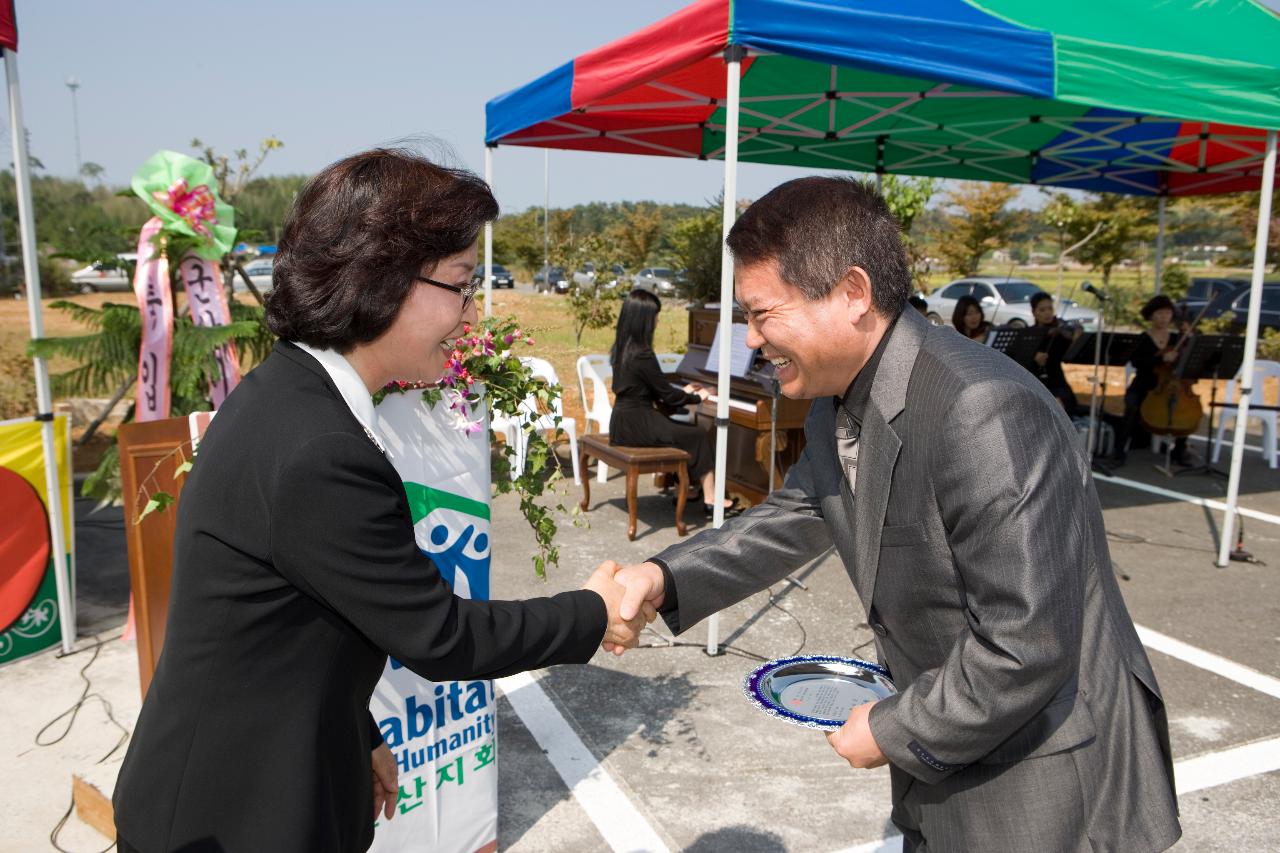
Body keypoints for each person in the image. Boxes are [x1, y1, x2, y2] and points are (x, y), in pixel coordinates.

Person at [600, 177, 1180, 852]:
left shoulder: (981, 408)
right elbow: (790, 516)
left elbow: (1026, 645)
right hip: (953, 754)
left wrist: (892, 728)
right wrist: (661, 577)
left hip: (1044, 782)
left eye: (762, 314)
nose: (751, 340)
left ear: (851, 293)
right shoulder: (838, 398)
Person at [111, 148, 650, 853]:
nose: (471, 310)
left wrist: (356, 731)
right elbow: (440, 634)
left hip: (261, 771)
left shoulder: (290, 395)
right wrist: (593, 612)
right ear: (386, 280)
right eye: (461, 283)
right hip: (229, 813)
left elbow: (292, 618)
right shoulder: (320, 449)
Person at [608, 289, 740, 518]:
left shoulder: (624, 349)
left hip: (623, 421)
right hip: (637, 422)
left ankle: (686, 488)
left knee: (680, 432)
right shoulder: (642, 355)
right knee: (696, 434)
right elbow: (667, 396)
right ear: (643, 320)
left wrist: (684, 391)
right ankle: (710, 499)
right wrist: (698, 396)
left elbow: (656, 389)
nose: (657, 320)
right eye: (655, 316)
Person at [1109, 294, 1194, 467]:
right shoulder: (1143, 338)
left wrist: (1189, 337)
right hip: (1144, 383)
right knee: (1131, 405)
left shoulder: (1177, 338)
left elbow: (1188, 360)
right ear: (1151, 315)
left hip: (1170, 384)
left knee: (1184, 407)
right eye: (1159, 313)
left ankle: (1179, 449)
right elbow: (1137, 361)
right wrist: (1161, 359)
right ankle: (1119, 451)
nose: (1164, 317)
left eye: (1167, 313)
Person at [1029, 291, 1082, 415]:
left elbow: (1070, 356)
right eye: (1042, 310)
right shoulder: (1029, 335)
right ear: (1034, 312)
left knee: (1063, 404)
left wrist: (1076, 340)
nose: (1047, 313)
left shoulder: (1060, 335)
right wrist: (1033, 356)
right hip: (1035, 384)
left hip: (1057, 383)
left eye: (1050, 309)